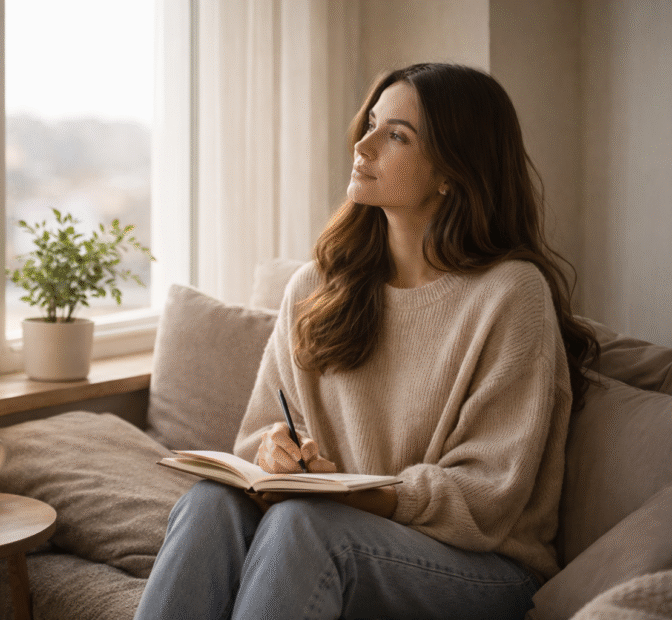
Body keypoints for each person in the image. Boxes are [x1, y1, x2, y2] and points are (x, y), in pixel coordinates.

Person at [133, 62, 598, 620]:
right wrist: (276, 452)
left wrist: (357, 495)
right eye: (371, 123)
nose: (364, 143)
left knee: (304, 525)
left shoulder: (510, 294)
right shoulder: (317, 286)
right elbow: (256, 434)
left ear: (453, 170)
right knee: (210, 503)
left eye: (396, 135)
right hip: (336, 525)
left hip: (481, 564)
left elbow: (488, 497)